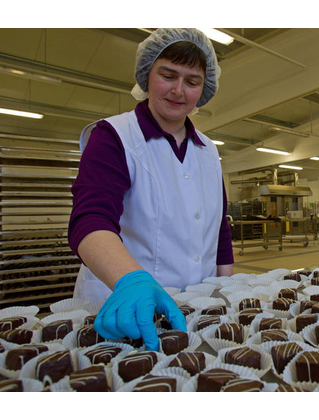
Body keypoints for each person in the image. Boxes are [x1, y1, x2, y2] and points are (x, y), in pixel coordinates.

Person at [68, 28, 234, 351]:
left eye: (192, 81)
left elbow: (220, 231)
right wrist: (131, 279)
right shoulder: (115, 136)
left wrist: (226, 292)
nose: (178, 90)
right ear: (147, 76)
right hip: (120, 310)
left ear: (204, 88)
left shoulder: (208, 151)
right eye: (168, 75)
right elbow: (90, 220)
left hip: (192, 312)